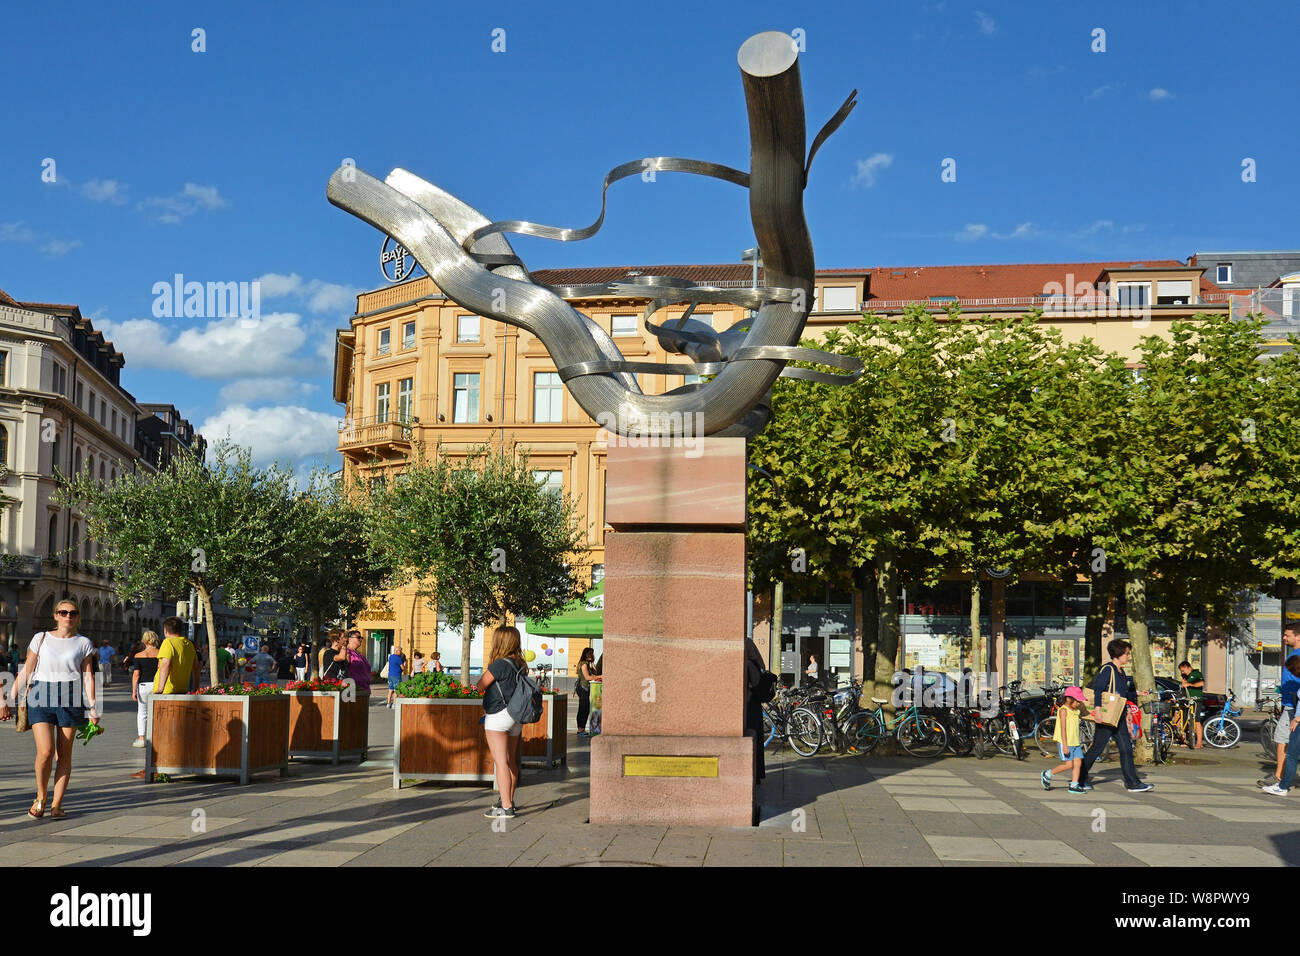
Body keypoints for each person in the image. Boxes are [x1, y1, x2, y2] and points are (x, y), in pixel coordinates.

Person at [0, 600, 99, 817]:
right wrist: (7, 700)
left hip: (71, 698)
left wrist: (93, 707)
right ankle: (40, 797)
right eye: (63, 612)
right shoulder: (41, 638)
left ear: (78, 616)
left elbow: (88, 676)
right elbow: (26, 670)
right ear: (55, 615)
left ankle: (57, 804)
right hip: (40, 696)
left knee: (64, 755)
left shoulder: (83, 643)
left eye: (73, 613)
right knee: (45, 752)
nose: (68, 616)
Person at [1077, 639, 1153, 793]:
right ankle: (1079, 778)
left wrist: (1138, 693)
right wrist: (1097, 711)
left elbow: (1122, 695)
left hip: (1118, 717)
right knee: (1097, 748)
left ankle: (1133, 783)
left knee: (1126, 749)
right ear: (1118, 654)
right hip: (1106, 717)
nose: (1128, 656)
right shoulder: (1108, 669)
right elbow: (1098, 690)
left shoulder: (1121, 671)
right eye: (1126, 653)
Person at [475, 626, 527, 818]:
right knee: (511, 761)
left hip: (498, 716)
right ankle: (509, 800)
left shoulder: (498, 664)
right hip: (516, 717)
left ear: (499, 642)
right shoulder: (520, 664)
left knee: (500, 763)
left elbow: (481, 686)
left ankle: (506, 807)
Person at [1260, 621, 1300, 788]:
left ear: (1298, 636)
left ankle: (1279, 778)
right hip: (1291, 703)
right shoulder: (1293, 654)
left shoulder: (1296, 655)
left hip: (1293, 705)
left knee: (1282, 738)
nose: (1284, 638)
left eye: (1287, 635)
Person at [1041, 686, 1094, 793]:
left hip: (1075, 742)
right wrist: (1064, 745)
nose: (1079, 703)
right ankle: (1047, 774)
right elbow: (1063, 729)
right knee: (1069, 764)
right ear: (1069, 699)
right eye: (1077, 701)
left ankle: (1074, 785)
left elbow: (1085, 714)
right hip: (1065, 742)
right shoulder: (1063, 711)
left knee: (1078, 763)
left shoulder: (1076, 711)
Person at [130, 632, 161, 752]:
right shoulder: (161, 654)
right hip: (157, 686)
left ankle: (142, 738)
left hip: (143, 686)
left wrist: (133, 691)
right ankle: (156, 737)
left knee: (142, 712)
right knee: (157, 712)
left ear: (144, 641)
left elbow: (136, 674)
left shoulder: (139, 655)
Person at [744, 635, 766, 788]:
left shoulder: (748, 664)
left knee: (752, 736)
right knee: (756, 738)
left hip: (749, 704)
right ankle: (757, 774)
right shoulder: (755, 663)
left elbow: (755, 683)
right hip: (754, 705)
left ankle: (755, 773)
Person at [1177, 659, 1206, 749]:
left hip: (1196, 701)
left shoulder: (1197, 674)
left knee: (1196, 721)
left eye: (1183, 670)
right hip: (1186, 701)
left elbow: (1201, 683)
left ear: (1187, 667)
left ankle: (1199, 743)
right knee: (1184, 720)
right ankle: (1186, 740)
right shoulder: (1185, 676)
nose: (1182, 672)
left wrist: (1189, 684)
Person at [575, 648, 597, 737]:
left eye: (592, 653)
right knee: (583, 708)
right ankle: (580, 730)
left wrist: (592, 663)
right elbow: (588, 677)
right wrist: (602, 676)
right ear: (585, 654)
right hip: (582, 687)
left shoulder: (588, 664)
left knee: (586, 709)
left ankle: (582, 729)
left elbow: (595, 673)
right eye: (590, 653)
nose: (591, 655)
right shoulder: (583, 664)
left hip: (586, 688)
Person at [342, 631, 371, 696]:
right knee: (352, 706)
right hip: (352, 689)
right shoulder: (346, 652)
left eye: (361, 638)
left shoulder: (359, 654)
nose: (361, 639)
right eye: (358, 637)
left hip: (364, 688)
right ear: (350, 639)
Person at [385, 643, 407, 708]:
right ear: (396, 651)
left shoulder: (390, 657)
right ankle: (394, 704)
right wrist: (404, 665)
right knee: (396, 690)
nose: (401, 652)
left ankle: (388, 704)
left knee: (390, 690)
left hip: (390, 675)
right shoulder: (398, 659)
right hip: (396, 675)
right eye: (400, 651)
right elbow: (402, 668)